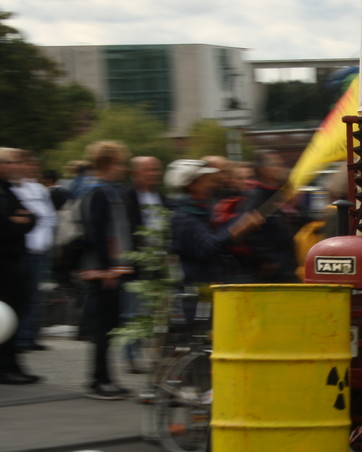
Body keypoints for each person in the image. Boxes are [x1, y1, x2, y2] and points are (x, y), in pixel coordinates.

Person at [168, 159, 263, 320]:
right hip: (200, 299)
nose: (211, 183)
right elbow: (208, 247)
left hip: (214, 290)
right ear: (193, 185)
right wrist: (238, 229)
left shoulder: (202, 210)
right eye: (205, 180)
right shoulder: (184, 218)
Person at [76, 141, 134, 399]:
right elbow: (98, 234)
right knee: (104, 328)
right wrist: (108, 269)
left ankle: (104, 377)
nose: (122, 168)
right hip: (104, 272)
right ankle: (99, 380)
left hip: (107, 268)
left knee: (108, 327)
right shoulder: (99, 192)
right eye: (120, 163)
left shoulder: (104, 190)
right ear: (109, 164)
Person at [120, 156, 167, 372]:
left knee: (155, 312)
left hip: (160, 261)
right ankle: (130, 357)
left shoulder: (161, 196)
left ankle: (153, 355)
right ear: (135, 173)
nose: (153, 174)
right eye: (148, 170)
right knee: (132, 312)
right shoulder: (127, 197)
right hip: (136, 263)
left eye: (156, 170)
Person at [0, 147, 43, 384]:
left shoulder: (8, 191)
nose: (17, 167)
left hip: (12, 261)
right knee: (6, 316)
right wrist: (19, 221)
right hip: (4, 263)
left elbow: (32, 217)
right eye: (11, 162)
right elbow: (5, 227)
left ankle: (11, 364)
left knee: (13, 313)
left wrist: (22, 219)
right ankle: (6, 367)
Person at [10, 150, 58, 352]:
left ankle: (29, 335)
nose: (30, 168)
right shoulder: (13, 189)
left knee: (34, 297)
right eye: (26, 164)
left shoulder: (39, 189)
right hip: (23, 250)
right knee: (20, 296)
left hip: (40, 249)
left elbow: (48, 217)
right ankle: (18, 337)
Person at [240, 150, 299, 282]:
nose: (280, 168)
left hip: (285, 267)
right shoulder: (257, 197)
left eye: (281, 164)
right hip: (272, 273)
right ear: (263, 170)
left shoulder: (273, 195)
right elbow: (247, 231)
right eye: (275, 164)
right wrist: (268, 259)